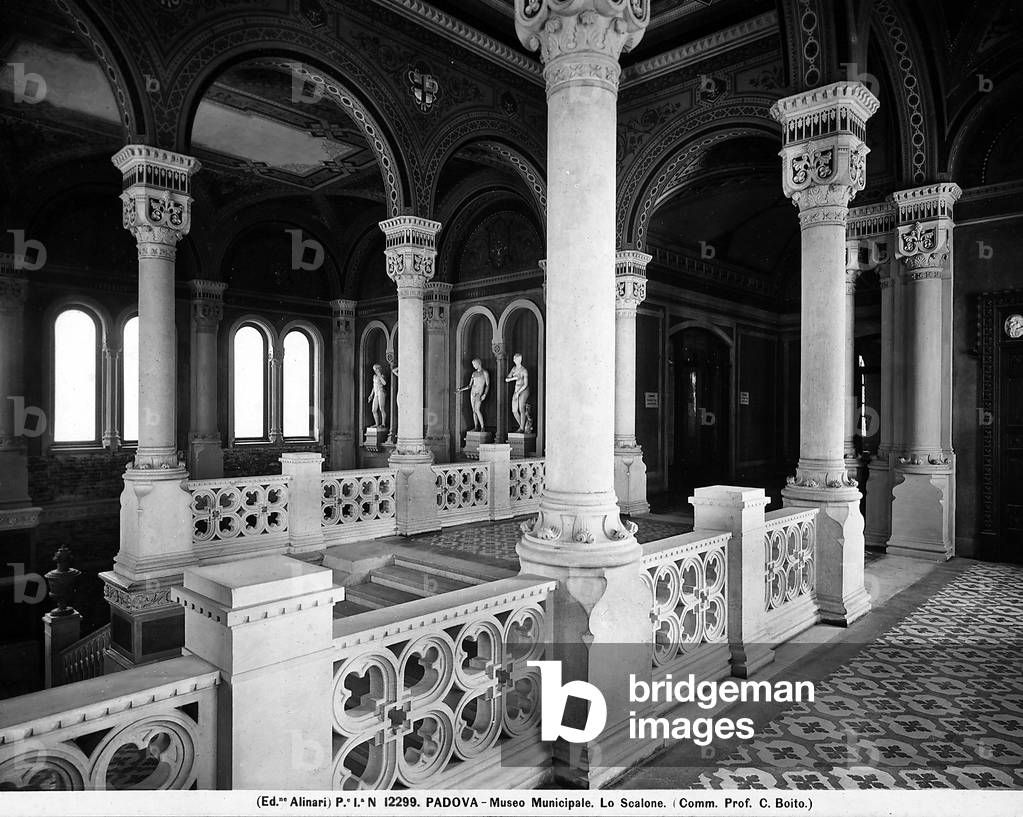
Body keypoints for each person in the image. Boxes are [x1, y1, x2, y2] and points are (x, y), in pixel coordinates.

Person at [455, 359, 490, 431]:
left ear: (479, 363)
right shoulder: (473, 374)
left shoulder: (485, 372)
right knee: (474, 411)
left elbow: (488, 385)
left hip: (479, 393)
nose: (473, 366)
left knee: (477, 409)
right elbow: (469, 385)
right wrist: (460, 390)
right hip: (472, 393)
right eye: (473, 364)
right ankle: (476, 427)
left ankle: (483, 427)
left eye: (474, 364)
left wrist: (485, 394)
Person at [505, 352, 530, 433]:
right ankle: (523, 426)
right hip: (517, 388)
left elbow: (525, 384)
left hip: (523, 390)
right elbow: (507, 378)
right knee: (514, 410)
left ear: (520, 360)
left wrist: (518, 392)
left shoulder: (524, 370)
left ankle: (522, 428)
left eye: (517, 359)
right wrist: (513, 378)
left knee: (521, 408)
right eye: (515, 359)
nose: (516, 361)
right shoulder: (514, 369)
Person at [367, 363, 387, 428]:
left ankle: (383, 424)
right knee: (374, 410)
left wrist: (380, 375)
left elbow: (384, 383)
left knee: (382, 408)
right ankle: (377, 424)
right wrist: (371, 395)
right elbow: (374, 386)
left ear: (378, 369)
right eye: (374, 369)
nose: (375, 370)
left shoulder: (382, 376)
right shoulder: (374, 376)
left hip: (381, 392)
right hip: (376, 393)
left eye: (375, 369)